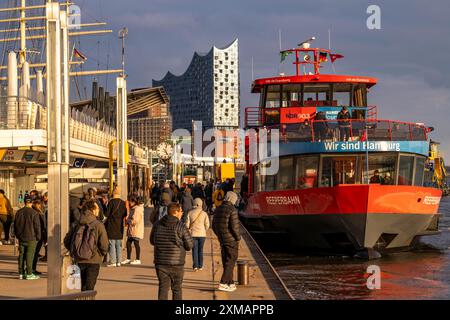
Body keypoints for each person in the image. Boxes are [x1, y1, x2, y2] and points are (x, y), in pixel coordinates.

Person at [150, 203, 193, 300]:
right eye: (181, 211)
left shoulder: (157, 224)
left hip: (160, 262)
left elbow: (152, 241)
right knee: (177, 289)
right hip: (177, 263)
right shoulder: (181, 226)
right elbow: (189, 245)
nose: (182, 213)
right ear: (176, 212)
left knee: (163, 288)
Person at [64, 199, 109, 291]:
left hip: (79, 260)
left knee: (83, 286)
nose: (98, 210)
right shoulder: (98, 225)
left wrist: (76, 251)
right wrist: (101, 254)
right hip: (94, 259)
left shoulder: (77, 224)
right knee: (90, 287)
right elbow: (104, 244)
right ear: (92, 210)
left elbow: (67, 241)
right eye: (97, 208)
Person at [212, 191, 241, 292]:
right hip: (231, 240)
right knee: (231, 260)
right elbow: (235, 227)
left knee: (226, 261)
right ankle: (223, 282)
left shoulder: (218, 208)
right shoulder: (232, 209)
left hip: (222, 240)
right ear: (232, 199)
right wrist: (238, 238)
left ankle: (230, 282)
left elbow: (213, 226)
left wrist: (220, 236)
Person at [13, 195, 41, 280]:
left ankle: (21, 273)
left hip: (21, 237)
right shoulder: (34, 213)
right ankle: (29, 273)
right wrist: (38, 237)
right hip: (31, 237)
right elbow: (37, 226)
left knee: (21, 255)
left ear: (24, 202)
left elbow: (15, 225)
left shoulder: (18, 212)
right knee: (30, 255)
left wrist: (18, 235)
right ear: (31, 202)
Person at [104, 188, 128, 267]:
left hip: (111, 225)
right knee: (119, 244)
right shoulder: (122, 202)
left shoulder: (111, 202)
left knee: (112, 244)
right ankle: (119, 261)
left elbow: (106, 214)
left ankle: (113, 261)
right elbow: (125, 214)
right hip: (120, 226)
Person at [186, 198, 210, 271]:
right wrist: (204, 230)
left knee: (194, 250)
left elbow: (187, 225)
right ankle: (200, 266)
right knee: (201, 250)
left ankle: (195, 266)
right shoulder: (204, 213)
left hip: (193, 234)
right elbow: (207, 224)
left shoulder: (190, 213)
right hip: (202, 235)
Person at [122, 196, 144, 265]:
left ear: (134, 202)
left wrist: (128, 220)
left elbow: (135, 220)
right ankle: (128, 258)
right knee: (128, 243)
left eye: (131, 202)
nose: (129, 203)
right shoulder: (134, 208)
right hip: (133, 229)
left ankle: (138, 259)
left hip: (136, 229)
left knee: (136, 243)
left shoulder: (137, 209)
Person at [31, 200, 47, 275]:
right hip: (38, 236)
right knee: (35, 253)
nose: (40, 206)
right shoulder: (38, 213)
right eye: (39, 204)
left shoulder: (36, 212)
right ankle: (32, 269)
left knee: (34, 253)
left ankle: (31, 268)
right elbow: (42, 226)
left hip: (36, 235)